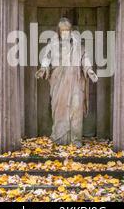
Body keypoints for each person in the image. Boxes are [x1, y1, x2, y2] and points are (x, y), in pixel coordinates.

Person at [35, 18, 98, 147]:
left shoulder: (77, 45)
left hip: (75, 81)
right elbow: (46, 57)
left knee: (76, 108)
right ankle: (59, 137)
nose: (65, 33)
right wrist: (44, 68)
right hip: (59, 83)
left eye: (67, 30)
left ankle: (76, 139)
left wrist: (89, 70)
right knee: (59, 109)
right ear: (58, 31)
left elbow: (84, 57)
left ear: (71, 31)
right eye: (62, 30)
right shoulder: (52, 44)